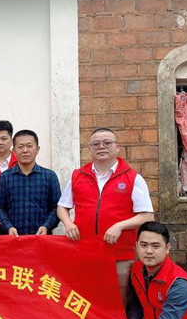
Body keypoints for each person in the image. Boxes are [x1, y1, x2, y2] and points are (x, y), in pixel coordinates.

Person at [57, 127, 153, 304]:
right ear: (90, 149)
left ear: (117, 147)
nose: (101, 147)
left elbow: (147, 215)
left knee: (117, 300)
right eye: (96, 144)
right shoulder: (78, 176)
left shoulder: (132, 177)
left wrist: (119, 225)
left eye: (107, 143)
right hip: (84, 251)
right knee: (85, 299)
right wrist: (68, 223)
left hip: (118, 252)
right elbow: (62, 207)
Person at [0, 130, 61, 236]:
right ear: (14, 151)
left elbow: (56, 207)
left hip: (42, 238)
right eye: (20, 147)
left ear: (37, 149)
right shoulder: (5, 177)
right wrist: (8, 227)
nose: (25, 150)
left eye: (29, 146)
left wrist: (46, 226)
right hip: (13, 238)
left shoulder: (49, 176)